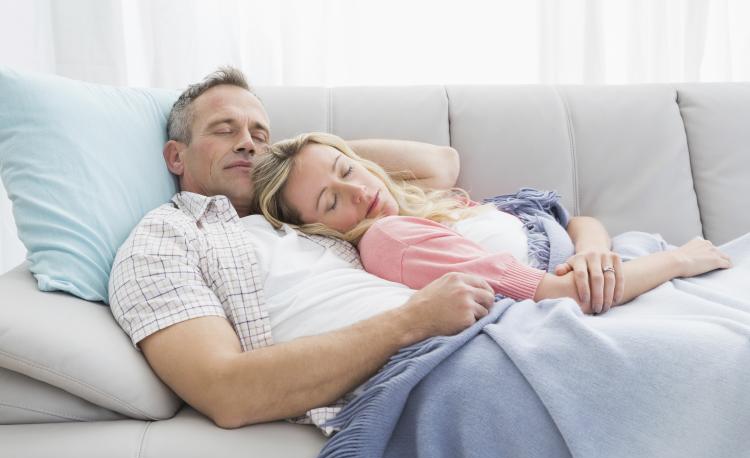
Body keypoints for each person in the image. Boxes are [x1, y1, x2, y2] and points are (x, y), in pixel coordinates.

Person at [108, 66, 497, 432]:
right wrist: (414, 320)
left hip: (484, 321)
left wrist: (306, 156)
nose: (247, 143)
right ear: (176, 156)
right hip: (431, 360)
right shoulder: (164, 238)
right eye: (225, 131)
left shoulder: (299, 206)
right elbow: (225, 390)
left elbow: (440, 166)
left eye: (259, 135)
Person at [250, 132, 733, 314]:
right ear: (319, 232)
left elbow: (580, 221)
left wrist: (590, 253)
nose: (360, 190)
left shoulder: (421, 209)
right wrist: (679, 260)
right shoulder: (391, 238)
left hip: (619, 266)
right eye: (331, 202)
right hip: (625, 284)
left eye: (347, 168)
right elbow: (560, 293)